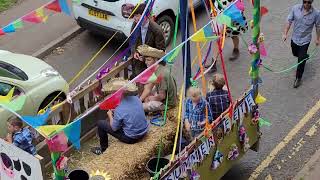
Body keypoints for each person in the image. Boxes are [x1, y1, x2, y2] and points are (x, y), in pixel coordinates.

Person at [91, 80, 149, 155]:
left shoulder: (119, 108)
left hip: (132, 138)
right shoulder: (136, 99)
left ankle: (103, 149)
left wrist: (110, 115)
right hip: (144, 131)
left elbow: (114, 128)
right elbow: (128, 111)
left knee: (100, 123)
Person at [283, 0, 320, 88]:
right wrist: (285, 33)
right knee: (295, 54)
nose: (306, 4)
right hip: (295, 39)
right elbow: (289, 21)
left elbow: (318, 26)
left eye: (309, 2)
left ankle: (298, 78)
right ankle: (304, 56)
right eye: (305, 2)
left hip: (305, 41)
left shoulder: (316, 13)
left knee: (301, 61)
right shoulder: (295, 8)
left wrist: (318, 39)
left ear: (312, 2)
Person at [129, 3, 166, 79]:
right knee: (139, 81)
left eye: (137, 16)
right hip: (139, 63)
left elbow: (161, 51)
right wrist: (134, 52)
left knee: (150, 86)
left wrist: (147, 57)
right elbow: (132, 41)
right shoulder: (135, 24)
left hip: (152, 64)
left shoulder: (157, 30)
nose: (135, 19)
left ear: (145, 15)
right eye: (134, 16)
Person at [137, 45, 177, 112]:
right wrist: (140, 100)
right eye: (145, 60)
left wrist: (151, 98)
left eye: (149, 60)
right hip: (162, 94)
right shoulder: (158, 67)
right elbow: (149, 87)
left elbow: (162, 96)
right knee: (147, 89)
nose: (146, 62)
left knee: (141, 107)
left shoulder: (160, 75)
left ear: (156, 60)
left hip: (167, 103)